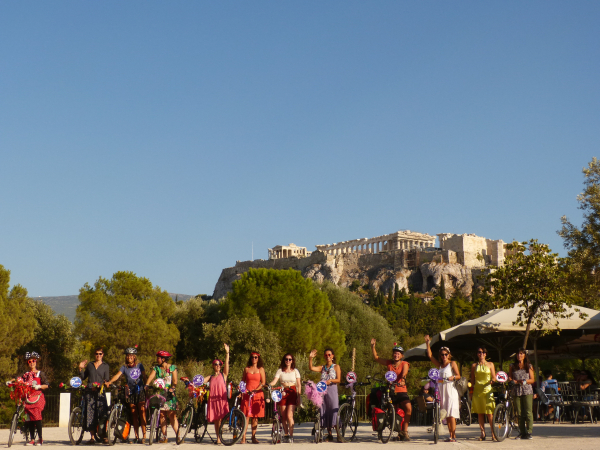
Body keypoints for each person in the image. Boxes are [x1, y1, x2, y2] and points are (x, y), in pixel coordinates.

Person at [371, 338, 412, 441]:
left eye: (398, 353)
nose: (396, 355)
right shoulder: (389, 363)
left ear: (402, 355)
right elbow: (377, 358)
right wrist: (373, 347)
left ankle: (405, 431)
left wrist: (402, 379)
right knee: (393, 412)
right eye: (394, 353)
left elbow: (404, 373)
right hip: (391, 390)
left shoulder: (404, 363)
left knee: (408, 409)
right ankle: (398, 432)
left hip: (401, 390)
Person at [106, 347, 147, 443]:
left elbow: (144, 377)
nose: (129, 357)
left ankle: (144, 436)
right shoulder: (124, 367)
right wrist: (110, 381)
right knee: (134, 414)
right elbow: (117, 375)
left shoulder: (140, 366)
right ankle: (137, 437)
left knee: (142, 413)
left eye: (131, 355)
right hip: (131, 392)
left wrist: (147, 388)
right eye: (128, 355)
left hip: (140, 391)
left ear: (134, 357)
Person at [8, 352, 49, 446]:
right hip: (28, 398)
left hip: (38, 397)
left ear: (36, 362)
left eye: (33, 361)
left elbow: (46, 385)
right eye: (29, 361)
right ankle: (32, 439)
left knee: (37, 417)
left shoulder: (40, 373)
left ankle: (40, 438)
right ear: (27, 363)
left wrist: (38, 386)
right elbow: (18, 379)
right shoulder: (26, 374)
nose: (32, 363)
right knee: (29, 419)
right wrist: (10, 381)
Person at [425, 335, 460, 442]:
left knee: (451, 414)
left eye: (446, 354)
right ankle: (450, 435)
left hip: (450, 390)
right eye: (442, 354)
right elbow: (430, 356)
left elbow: (459, 376)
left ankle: (453, 436)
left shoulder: (452, 364)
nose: (444, 356)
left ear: (449, 355)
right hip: (442, 391)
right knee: (446, 414)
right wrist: (427, 344)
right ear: (440, 356)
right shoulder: (440, 365)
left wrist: (452, 377)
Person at [145, 350, 178, 443]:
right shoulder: (156, 368)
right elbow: (151, 376)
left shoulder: (172, 368)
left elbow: (175, 380)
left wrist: (173, 387)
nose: (157, 359)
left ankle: (178, 435)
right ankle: (164, 436)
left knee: (172, 415)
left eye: (158, 358)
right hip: (159, 393)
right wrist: (147, 384)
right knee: (162, 415)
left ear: (163, 359)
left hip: (169, 393)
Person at [309, 348, 341, 442]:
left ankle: (339, 434)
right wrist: (310, 358)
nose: (328, 356)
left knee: (334, 409)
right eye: (326, 355)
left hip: (332, 389)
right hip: (322, 390)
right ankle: (329, 434)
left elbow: (338, 379)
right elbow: (311, 368)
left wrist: (330, 380)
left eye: (329, 355)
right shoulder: (322, 368)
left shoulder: (336, 367)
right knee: (325, 410)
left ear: (332, 356)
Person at [78, 347, 110, 444]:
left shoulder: (105, 366)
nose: (98, 355)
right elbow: (83, 377)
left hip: (100, 392)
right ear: (94, 355)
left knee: (102, 413)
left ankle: (103, 436)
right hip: (90, 392)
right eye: (96, 354)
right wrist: (80, 368)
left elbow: (107, 379)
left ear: (103, 355)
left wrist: (105, 384)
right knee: (90, 413)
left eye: (100, 354)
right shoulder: (90, 365)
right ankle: (92, 437)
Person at [269, 354, 301, 443]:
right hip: (282, 392)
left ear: (292, 361)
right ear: (284, 360)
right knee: (283, 416)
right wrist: (269, 385)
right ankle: (286, 435)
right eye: (286, 359)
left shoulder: (295, 371)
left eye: (290, 359)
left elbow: (299, 384)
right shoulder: (280, 371)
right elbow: (275, 381)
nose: (288, 361)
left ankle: (291, 435)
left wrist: (299, 396)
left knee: (290, 415)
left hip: (292, 392)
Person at [469, 347, 496, 441]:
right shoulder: (474, 366)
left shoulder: (490, 364)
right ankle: (482, 433)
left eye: (483, 352)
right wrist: (471, 392)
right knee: (480, 412)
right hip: (477, 390)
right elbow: (472, 380)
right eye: (479, 352)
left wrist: (492, 381)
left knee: (489, 413)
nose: (481, 354)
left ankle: (493, 433)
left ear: (486, 354)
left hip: (487, 389)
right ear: (477, 354)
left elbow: (494, 377)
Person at [509, 348, 534, 440]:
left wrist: (523, 381)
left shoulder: (529, 366)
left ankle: (529, 431)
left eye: (521, 354)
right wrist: (512, 381)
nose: (519, 355)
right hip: (516, 390)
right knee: (519, 413)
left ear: (524, 355)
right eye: (518, 354)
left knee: (528, 411)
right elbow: (510, 378)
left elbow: (532, 379)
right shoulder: (512, 366)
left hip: (527, 390)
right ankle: (522, 432)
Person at [207, 343, 230, 445]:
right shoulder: (211, 377)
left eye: (219, 364)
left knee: (220, 419)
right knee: (216, 420)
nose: (218, 366)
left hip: (221, 399)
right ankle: (218, 438)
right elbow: (201, 380)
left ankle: (220, 436)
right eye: (216, 364)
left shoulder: (223, 375)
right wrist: (191, 383)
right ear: (213, 366)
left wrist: (227, 352)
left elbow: (227, 364)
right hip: (213, 400)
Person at [240, 352, 265, 444]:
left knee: (255, 417)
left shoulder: (261, 369)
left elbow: (263, 383)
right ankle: (243, 437)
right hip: (247, 394)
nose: (254, 359)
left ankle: (253, 437)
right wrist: (241, 391)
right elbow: (242, 381)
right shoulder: (246, 369)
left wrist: (256, 390)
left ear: (258, 359)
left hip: (257, 394)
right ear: (250, 359)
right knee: (245, 416)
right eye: (252, 357)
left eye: (256, 357)